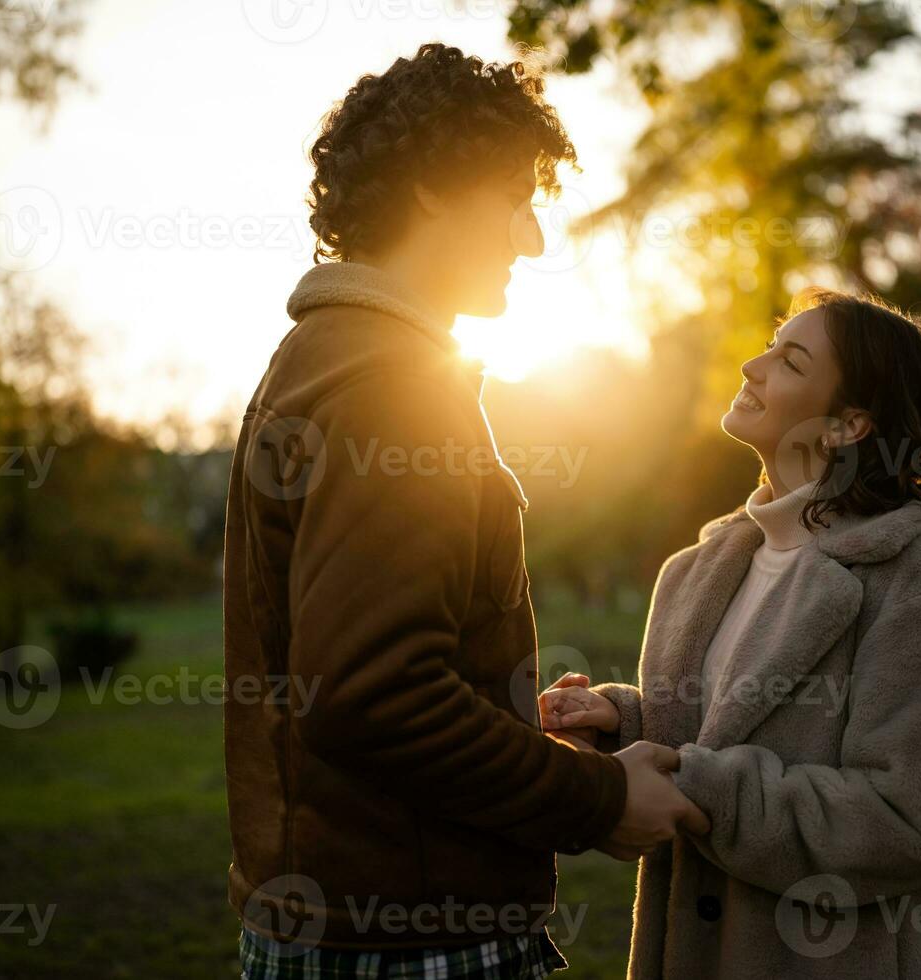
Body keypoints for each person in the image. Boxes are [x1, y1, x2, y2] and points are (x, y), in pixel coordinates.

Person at [222, 43, 705, 980]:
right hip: (411, 939)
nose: (531, 239)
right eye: (517, 199)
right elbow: (376, 695)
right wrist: (598, 799)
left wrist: (513, 719)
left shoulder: (322, 359)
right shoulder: (393, 386)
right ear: (438, 187)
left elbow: (366, 670)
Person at [541, 288, 921, 979]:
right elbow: (718, 733)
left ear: (847, 425)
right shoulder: (694, 572)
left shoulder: (911, 586)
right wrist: (620, 720)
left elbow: (906, 823)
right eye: (771, 344)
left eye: (790, 360)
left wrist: (700, 790)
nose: (753, 366)